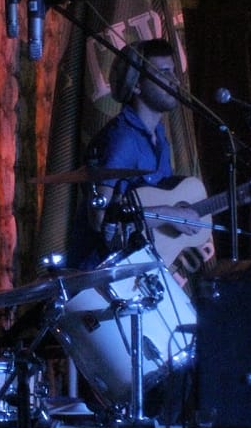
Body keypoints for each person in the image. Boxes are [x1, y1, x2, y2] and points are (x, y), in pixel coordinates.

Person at [67, 38, 202, 270]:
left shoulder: (159, 135)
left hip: (136, 267)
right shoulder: (122, 140)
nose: (175, 81)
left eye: (173, 72)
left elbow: (153, 203)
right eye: (164, 73)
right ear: (137, 85)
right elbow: (100, 218)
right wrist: (170, 215)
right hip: (104, 271)